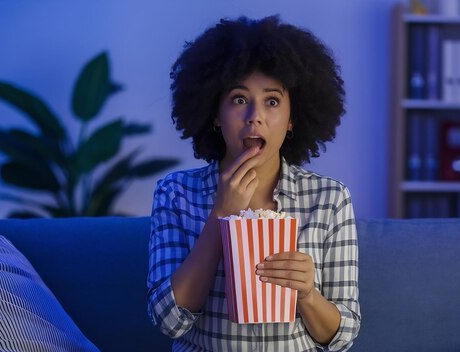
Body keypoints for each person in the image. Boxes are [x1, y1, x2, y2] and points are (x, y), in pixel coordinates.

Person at [147, 15, 360, 351]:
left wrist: (307, 293)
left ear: (292, 119)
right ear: (215, 115)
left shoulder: (330, 199)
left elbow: (341, 336)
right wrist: (221, 215)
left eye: (272, 101)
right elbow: (168, 321)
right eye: (239, 99)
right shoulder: (176, 193)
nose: (254, 116)